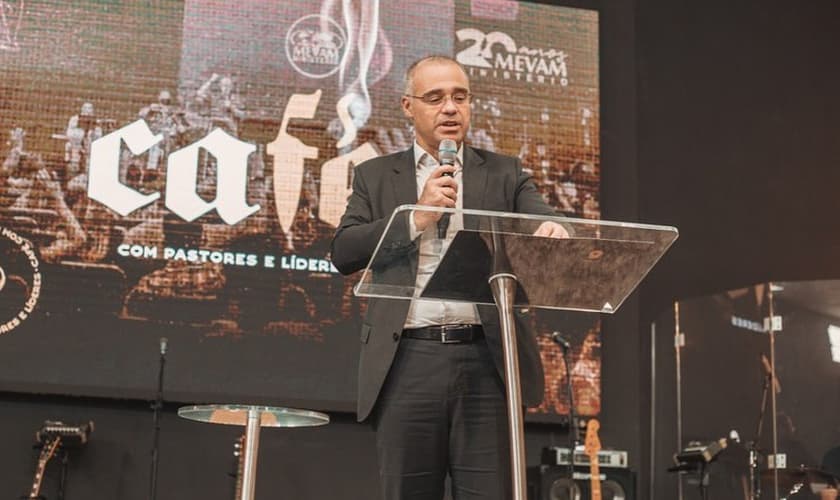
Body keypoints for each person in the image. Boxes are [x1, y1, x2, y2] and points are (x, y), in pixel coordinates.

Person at [330, 55, 568, 500]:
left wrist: (549, 229)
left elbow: (545, 221)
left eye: (460, 97)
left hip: (487, 360)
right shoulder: (376, 176)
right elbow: (343, 252)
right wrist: (415, 217)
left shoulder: (504, 173)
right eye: (435, 98)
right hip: (407, 361)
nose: (450, 108)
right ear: (407, 106)